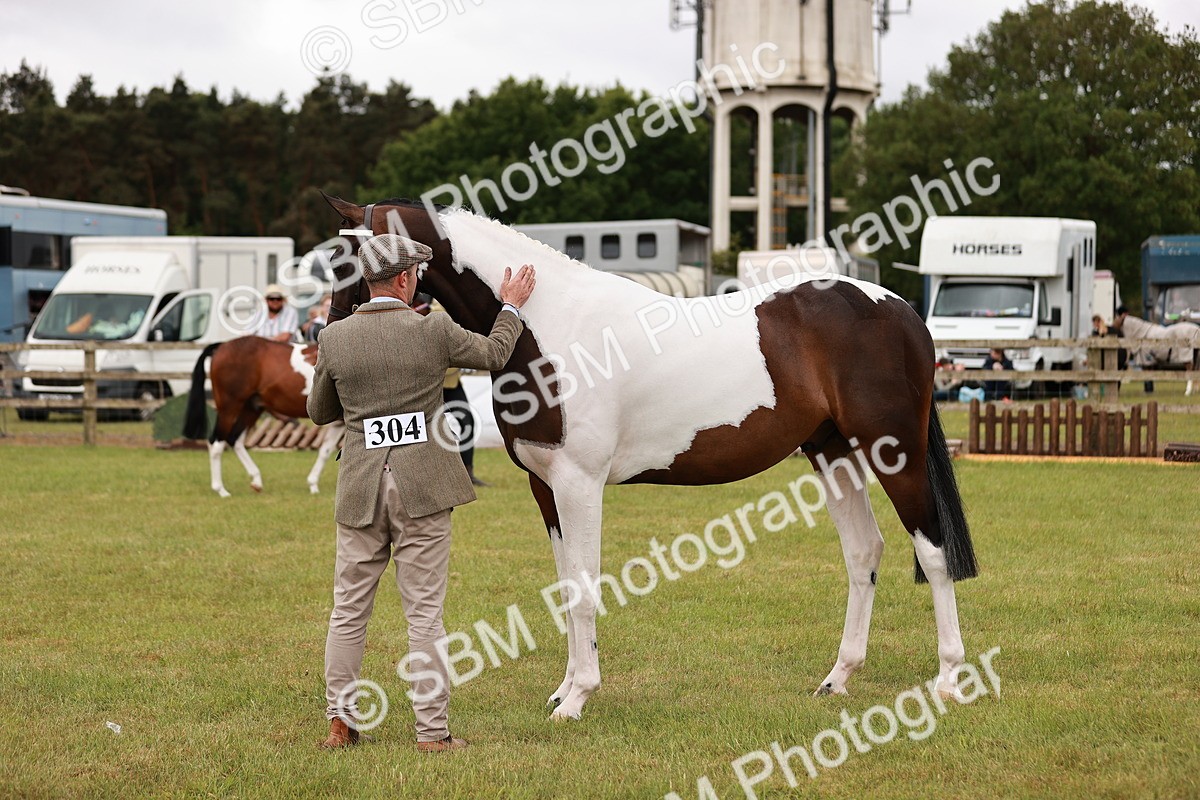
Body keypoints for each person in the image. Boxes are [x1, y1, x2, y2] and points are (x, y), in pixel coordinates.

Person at [308, 234, 535, 752]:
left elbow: (320, 412)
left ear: (369, 281)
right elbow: (496, 353)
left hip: (361, 484)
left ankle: (340, 724)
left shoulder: (335, 338)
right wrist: (510, 306)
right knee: (424, 616)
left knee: (348, 611)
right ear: (407, 278)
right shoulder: (431, 326)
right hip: (425, 485)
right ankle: (433, 734)